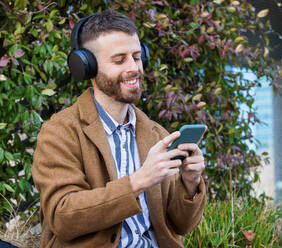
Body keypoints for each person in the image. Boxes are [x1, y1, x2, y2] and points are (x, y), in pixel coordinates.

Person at [32, 10, 207, 248]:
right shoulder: (59, 132)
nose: (133, 67)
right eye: (119, 60)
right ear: (87, 66)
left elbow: (181, 226)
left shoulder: (156, 134)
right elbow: (63, 217)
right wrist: (138, 181)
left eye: (136, 57)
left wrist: (190, 181)